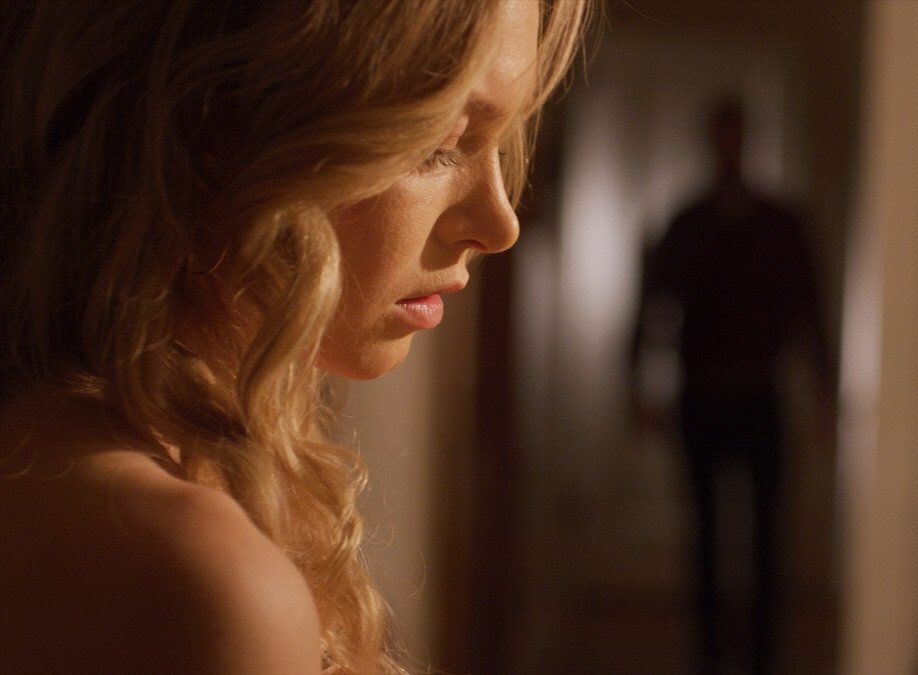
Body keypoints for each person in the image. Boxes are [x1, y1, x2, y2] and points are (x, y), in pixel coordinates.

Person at [0, 1, 591, 672]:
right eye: (437, 144)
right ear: (207, 131)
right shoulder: (196, 576)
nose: (498, 224)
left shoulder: (49, 448)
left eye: (500, 143)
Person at [632, 97, 833, 673]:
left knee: (767, 538)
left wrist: (822, 394)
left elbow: (810, 313)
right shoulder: (689, 223)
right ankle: (709, 656)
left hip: (759, 397)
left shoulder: (780, 224)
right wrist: (638, 384)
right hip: (701, 396)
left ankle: (763, 657)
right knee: (704, 536)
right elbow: (649, 307)